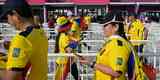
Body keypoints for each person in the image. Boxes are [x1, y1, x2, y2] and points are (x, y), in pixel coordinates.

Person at [0, 0, 48, 80]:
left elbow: (10, 77)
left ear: (15, 15)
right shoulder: (40, 32)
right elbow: (31, 51)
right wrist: (12, 47)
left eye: (7, 17)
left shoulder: (21, 39)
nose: (8, 22)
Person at [80, 12, 132, 80]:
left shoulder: (117, 45)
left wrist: (92, 63)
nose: (103, 28)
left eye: (105, 25)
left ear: (116, 27)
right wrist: (90, 62)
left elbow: (116, 72)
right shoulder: (111, 43)